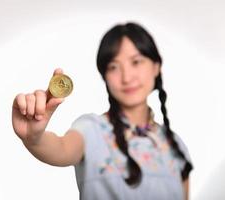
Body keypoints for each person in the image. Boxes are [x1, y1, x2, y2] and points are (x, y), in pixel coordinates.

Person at [12, 22, 193, 200]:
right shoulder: (92, 129)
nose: (127, 77)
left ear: (156, 67)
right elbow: (61, 148)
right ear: (105, 76)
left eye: (136, 62)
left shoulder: (176, 146)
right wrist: (34, 139)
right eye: (114, 67)